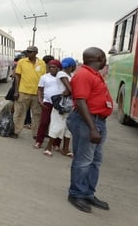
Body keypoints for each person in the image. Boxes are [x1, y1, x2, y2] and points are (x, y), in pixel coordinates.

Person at [66, 47, 113, 213]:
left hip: (98, 122)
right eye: (105, 57)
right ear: (100, 57)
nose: (106, 60)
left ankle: (88, 193)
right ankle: (76, 193)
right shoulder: (84, 75)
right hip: (87, 122)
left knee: (95, 161)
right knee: (84, 160)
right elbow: (80, 101)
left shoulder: (94, 74)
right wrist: (93, 128)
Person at [36, 59, 72, 153]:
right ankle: (39, 141)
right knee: (44, 122)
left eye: (54, 67)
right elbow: (40, 90)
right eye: (50, 67)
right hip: (48, 102)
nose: (52, 69)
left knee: (58, 125)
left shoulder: (63, 76)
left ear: (59, 68)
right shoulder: (44, 77)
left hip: (59, 104)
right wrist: (40, 101)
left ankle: (56, 144)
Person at [45, 57, 77, 157]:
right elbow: (70, 89)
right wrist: (70, 91)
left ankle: (65, 149)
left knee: (68, 128)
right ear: (72, 66)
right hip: (62, 105)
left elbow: (69, 91)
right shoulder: (62, 74)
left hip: (69, 104)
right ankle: (48, 147)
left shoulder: (70, 75)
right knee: (58, 126)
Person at [11, 46, 46, 139]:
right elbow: (17, 77)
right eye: (27, 51)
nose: (28, 53)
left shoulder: (42, 64)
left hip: (36, 93)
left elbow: (44, 80)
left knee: (37, 114)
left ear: (36, 53)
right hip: (23, 92)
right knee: (19, 113)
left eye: (30, 52)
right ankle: (16, 131)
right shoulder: (22, 62)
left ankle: (35, 134)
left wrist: (42, 94)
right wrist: (16, 91)